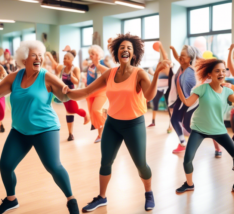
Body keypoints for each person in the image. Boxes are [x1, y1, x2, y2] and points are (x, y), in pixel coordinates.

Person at [62, 33, 171, 212]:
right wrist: (66, 91)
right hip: (112, 123)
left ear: (133, 54)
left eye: (129, 48)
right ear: (117, 53)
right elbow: (87, 91)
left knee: (141, 164)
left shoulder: (139, 73)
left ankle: (149, 192)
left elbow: (149, 96)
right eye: (122, 48)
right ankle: (102, 197)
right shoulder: (110, 73)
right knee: (105, 162)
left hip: (133, 124)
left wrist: (157, 72)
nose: (125, 50)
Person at [0, 40, 79, 214]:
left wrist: (68, 91)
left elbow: (64, 96)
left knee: (53, 166)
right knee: (5, 165)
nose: (39, 58)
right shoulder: (15, 77)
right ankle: (11, 200)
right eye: (34, 55)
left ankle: (71, 200)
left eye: (41, 55)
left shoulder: (46, 76)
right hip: (20, 130)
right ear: (24, 59)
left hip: (45, 129)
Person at [175, 58, 234, 196]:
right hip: (199, 129)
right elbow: (187, 103)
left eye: (223, 71)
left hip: (218, 130)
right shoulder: (203, 88)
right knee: (187, 159)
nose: (221, 73)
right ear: (209, 74)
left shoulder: (227, 92)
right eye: (217, 71)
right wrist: (178, 88)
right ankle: (189, 184)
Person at [169, 45, 222, 156]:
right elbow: (177, 57)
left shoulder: (194, 70)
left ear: (190, 58)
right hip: (183, 98)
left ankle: (218, 148)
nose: (180, 58)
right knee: (175, 119)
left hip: (195, 100)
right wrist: (173, 50)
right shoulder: (182, 66)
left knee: (201, 126)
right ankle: (183, 143)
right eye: (180, 56)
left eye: (183, 56)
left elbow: (206, 82)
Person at [47, 49, 90, 141]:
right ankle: (70, 134)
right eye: (63, 58)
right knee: (69, 111)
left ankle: (86, 115)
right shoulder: (62, 68)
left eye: (66, 58)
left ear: (71, 60)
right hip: (64, 93)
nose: (64, 60)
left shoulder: (75, 69)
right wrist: (49, 56)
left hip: (72, 92)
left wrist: (72, 77)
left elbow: (77, 82)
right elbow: (55, 64)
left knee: (73, 109)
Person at [147, 42, 173, 133]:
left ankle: (171, 125)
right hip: (159, 88)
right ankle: (153, 122)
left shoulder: (168, 67)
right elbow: (155, 74)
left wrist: (161, 46)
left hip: (168, 88)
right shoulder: (160, 68)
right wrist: (151, 72)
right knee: (155, 103)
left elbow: (165, 55)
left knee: (170, 107)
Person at [86, 45, 109, 143]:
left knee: (96, 110)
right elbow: (89, 78)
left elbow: (109, 73)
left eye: (94, 53)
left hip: (102, 91)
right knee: (94, 113)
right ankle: (100, 135)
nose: (91, 55)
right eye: (90, 53)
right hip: (91, 91)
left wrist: (98, 64)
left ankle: (109, 124)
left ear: (99, 55)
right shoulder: (90, 65)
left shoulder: (103, 62)